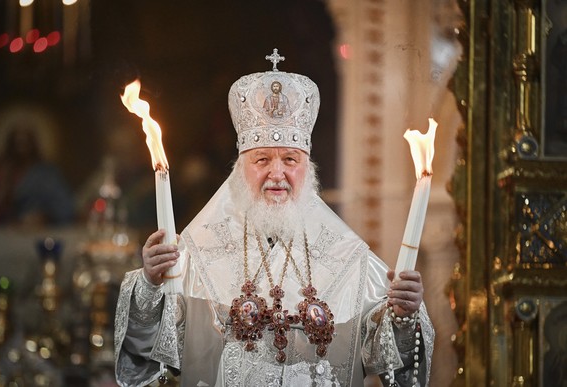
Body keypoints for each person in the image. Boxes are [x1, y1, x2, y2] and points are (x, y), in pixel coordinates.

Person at [114, 51, 434, 386]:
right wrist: (151, 283)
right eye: (262, 159)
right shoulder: (197, 252)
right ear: (240, 171)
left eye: (291, 159)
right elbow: (148, 361)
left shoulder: (348, 257)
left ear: (308, 170)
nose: (276, 173)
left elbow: (398, 368)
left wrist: (404, 315)